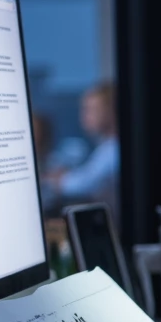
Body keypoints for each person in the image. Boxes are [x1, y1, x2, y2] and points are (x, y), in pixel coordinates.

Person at [46, 79, 120, 225]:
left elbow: (86, 183)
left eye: (91, 109)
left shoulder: (113, 149)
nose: (84, 115)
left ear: (111, 111)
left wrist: (56, 181)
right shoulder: (106, 146)